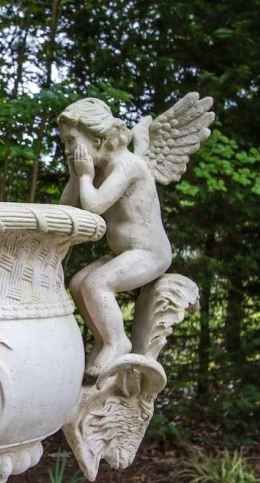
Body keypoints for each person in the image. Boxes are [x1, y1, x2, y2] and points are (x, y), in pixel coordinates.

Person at [58, 98, 172, 377]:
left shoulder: (128, 165)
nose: (68, 150)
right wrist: (76, 177)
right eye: (65, 143)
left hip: (150, 253)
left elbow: (94, 206)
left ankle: (117, 342)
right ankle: (103, 340)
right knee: (78, 284)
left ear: (97, 138)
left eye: (72, 141)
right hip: (124, 253)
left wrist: (86, 177)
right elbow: (67, 209)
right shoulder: (99, 168)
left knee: (97, 284)